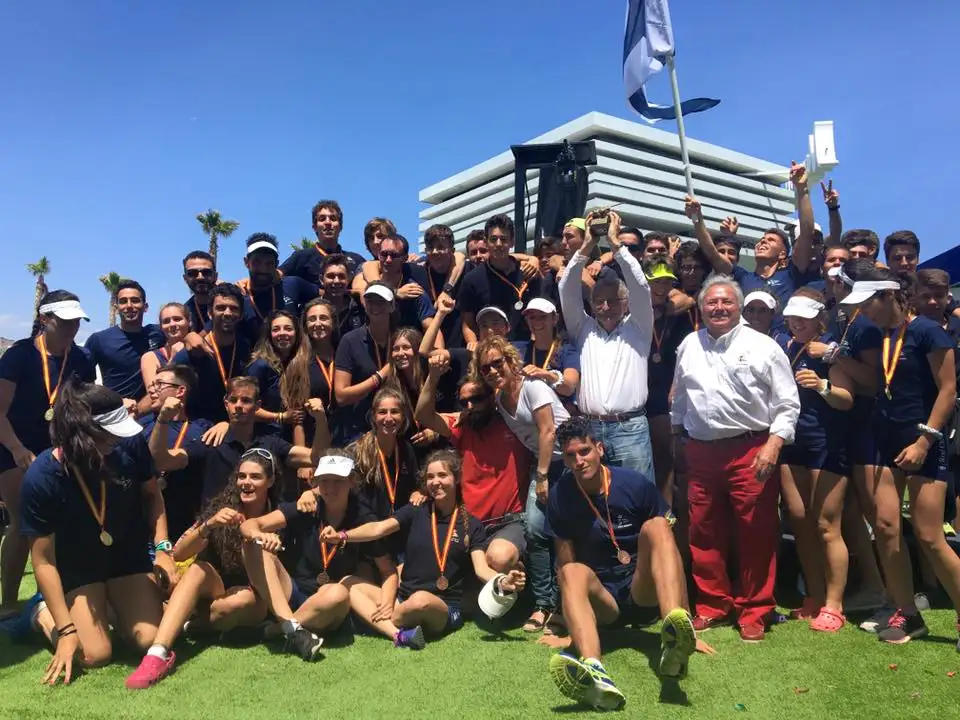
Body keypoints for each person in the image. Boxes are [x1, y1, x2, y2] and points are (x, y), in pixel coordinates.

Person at [671, 276, 800, 642]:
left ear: (739, 306)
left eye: (726, 302)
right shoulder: (688, 345)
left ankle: (755, 609)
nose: (719, 308)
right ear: (701, 307)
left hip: (750, 448)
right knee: (703, 530)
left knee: (756, 531)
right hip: (700, 449)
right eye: (711, 302)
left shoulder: (763, 346)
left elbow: (788, 403)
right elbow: (680, 396)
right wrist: (677, 437)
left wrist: (773, 445)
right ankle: (713, 604)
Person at [125, 449, 317, 688]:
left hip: (261, 599)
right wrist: (209, 525)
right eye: (242, 476)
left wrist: (309, 493)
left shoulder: (280, 512)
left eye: (255, 477)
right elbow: (180, 554)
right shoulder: (221, 508)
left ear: (270, 481)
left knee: (240, 599)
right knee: (199, 570)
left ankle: (187, 623)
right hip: (218, 591)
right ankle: (158, 653)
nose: (246, 482)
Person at [840, 269, 960, 646]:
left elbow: (948, 390)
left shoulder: (927, 330)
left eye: (866, 303)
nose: (862, 311)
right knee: (887, 528)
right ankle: (908, 614)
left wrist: (924, 441)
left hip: (924, 440)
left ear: (888, 295)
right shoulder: (883, 335)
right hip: (886, 440)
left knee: (929, 535)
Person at [545, 418, 697, 711]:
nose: (579, 461)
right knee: (570, 570)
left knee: (658, 526)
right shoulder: (560, 495)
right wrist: (567, 626)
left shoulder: (634, 483)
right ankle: (594, 670)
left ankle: (675, 636)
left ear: (600, 449)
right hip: (605, 602)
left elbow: (669, 552)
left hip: (642, 590)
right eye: (570, 455)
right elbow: (565, 561)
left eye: (585, 451)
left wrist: (687, 618)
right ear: (564, 459)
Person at [20, 379, 165, 685]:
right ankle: (41, 611)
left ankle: (108, 606)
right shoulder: (42, 477)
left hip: (126, 557)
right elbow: (43, 560)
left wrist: (163, 547)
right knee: (94, 654)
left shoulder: (130, 445)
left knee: (148, 639)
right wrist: (65, 631)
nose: (118, 437)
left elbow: (153, 495)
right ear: (82, 433)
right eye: (110, 431)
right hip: (77, 567)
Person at [319, 450, 525, 649]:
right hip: (403, 597)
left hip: (443, 606)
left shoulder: (471, 524)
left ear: (456, 479)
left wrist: (502, 581)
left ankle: (377, 618)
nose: (435, 482)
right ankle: (397, 633)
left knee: (421, 600)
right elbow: (379, 528)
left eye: (442, 475)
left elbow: (481, 569)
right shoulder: (416, 510)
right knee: (349, 583)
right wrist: (343, 536)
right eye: (430, 477)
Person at [240, 451, 396, 650]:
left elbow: (387, 569)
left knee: (338, 592)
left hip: (330, 604)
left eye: (337, 481)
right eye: (324, 480)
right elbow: (250, 525)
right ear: (316, 482)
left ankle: (277, 630)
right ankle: (293, 629)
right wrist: (260, 535)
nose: (330, 488)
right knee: (251, 544)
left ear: (351, 481)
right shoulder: (306, 506)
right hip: (294, 593)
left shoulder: (363, 517)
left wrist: (388, 602)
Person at [0, 291, 95, 619]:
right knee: (22, 523)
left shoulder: (81, 358)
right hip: (13, 447)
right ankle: (8, 602)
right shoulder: (19, 355)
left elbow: (83, 406)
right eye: (64, 321)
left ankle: (66, 595)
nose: (72, 327)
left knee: (66, 523)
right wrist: (17, 449)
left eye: (76, 321)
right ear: (44, 319)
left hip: (61, 451)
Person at [475, 335, 569, 634]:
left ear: (510, 359)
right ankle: (543, 604)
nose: (492, 371)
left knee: (567, 533)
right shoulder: (500, 399)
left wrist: (541, 476)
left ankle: (566, 606)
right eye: (485, 368)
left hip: (567, 465)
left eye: (497, 363)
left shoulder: (533, 387)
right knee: (535, 529)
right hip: (543, 466)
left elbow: (548, 431)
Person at [776, 288, 856, 632]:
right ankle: (815, 595)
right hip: (792, 441)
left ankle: (834, 605)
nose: (797, 323)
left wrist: (823, 385)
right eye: (792, 317)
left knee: (826, 525)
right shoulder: (784, 347)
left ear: (819, 319)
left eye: (804, 318)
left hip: (826, 441)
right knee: (799, 520)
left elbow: (847, 399)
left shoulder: (829, 349)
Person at [558, 209, 656, 479]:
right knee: (595, 498)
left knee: (636, 495)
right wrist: (586, 246)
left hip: (630, 430)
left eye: (613, 300)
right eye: (599, 301)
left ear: (626, 304)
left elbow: (640, 286)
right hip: (589, 430)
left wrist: (615, 243)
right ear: (591, 305)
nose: (605, 306)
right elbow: (566, 288)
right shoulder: (583, 328)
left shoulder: (639, 328)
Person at [415, 354, 530, 573]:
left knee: (499, 557)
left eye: (477, 399)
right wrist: (433, 376)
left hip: (508, 521)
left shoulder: (513, 422)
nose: (470, 405)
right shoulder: (462, 427)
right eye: (464, 402)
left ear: (492, 397)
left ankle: (521, 574)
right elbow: (423, 415)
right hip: (469, 523)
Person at [149, 377, 328, 505]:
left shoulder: (270, 443)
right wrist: (162, 419)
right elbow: (161, 461)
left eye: (246, 401)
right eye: (233, 400)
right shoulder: (211, 442)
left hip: (261, 530)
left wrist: (320, 419)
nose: (238, 406)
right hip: (217, 530)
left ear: (258, 406)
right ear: (225, 404)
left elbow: (317, 458)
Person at [685, 162, 817, 326]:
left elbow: (806, 233)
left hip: (781, 339)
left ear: (783, 254)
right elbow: (711, 253)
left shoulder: (792, 273)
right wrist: (697, 219)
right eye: (762, 239)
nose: (763, 241)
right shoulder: (742, 277)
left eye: (771, 240)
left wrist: (802, 189)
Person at [141, 363, 211, 544]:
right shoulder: (141, 425)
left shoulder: (202, 429)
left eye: (159, 384)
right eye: (152, 385)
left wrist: (225, 425)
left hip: (182, 529)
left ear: (180, 391)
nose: (152, 390)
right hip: (140, 525)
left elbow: (157, 461)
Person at [643, 258, 693, 503]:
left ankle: (667, 514)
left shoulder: (679, 313)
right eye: (656, 281)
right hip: (638, 394)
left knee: (665, 460)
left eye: (666, 282)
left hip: (665, 393)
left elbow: (691, 300)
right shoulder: (633, 311)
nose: (661, 287)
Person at [460, 214, 544, 345]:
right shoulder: (471, 280)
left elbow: (541, 315)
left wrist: (536, 346)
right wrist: (474, 345)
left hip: (527, 348)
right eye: (493, 239)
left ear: (512, 242)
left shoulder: (529, 272)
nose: (498, 244)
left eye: (504, 239)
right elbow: (468, 324)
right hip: (492, 350)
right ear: (487, 241)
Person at [84, 279, 165, 417]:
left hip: (153, 415)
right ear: (116, 308)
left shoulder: (158, 333)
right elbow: (84, 383)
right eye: (123, 301)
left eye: (135, 300)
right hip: (115, 414)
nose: (129, 306)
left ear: (145, 307)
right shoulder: (99, 340)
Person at [174, 283, 253, 424]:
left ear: (241, 315)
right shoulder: (190, 354)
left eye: (234, 308)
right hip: (198, 428)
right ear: (210, 313)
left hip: (236, 424)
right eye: (221, 308)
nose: (227, 313)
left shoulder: (246, 349)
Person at [334, 283, 398, 443]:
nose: (375, 306)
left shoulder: (402, 339)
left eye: (381, 301)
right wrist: (379, 376)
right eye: (370, 301)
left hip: (397, 426)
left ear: (392, 306)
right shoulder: (350, 340)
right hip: (360, 430)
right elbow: (341, 396)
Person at [348, 388, 421, 522]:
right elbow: (346, 490)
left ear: (403, 416)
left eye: (394, 412)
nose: (388, 418)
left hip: (398, 525)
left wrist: (417, 493)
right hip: (367, 526)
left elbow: (415, 486)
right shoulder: (357, 451)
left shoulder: (406, 449)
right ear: (374, 417)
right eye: (382, 412)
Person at [237, 234, 319, 345]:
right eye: (257, 262)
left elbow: (328, 295)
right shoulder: (239, 297)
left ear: (277, 264)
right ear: (246, 262)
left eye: (269, 263)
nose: (263, 269)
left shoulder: (293, 285)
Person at [247, 310, 312, 442]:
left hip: (295, 437)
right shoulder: (260, 366)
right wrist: (281, 417)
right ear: (269, 335)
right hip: (265, 438)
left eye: (288, 328)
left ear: (297, 333)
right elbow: (245, 407)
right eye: (276, 329)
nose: (282, 333)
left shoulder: (303, 363)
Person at [279, 199, 366, 284]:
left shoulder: (356, 260)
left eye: (333, 218)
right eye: (322, 219)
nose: (328, 222)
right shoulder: (302, 257)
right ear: (314, 227)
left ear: (340, 227)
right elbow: (277, 275)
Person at [390, 327, 444, 459]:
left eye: (406, 347)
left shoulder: (435, 375)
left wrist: (436, 430)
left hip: (443, 448)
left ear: (416, 349)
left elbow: (453, 411)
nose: (400, 353)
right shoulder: (392, 385)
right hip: (412, 453)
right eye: (395, 349)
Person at [519, 298, 580, 403]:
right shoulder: (519, 349)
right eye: (532, 317)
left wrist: (547, 375)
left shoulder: (567, 351)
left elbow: (569, 388)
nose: (537, 321)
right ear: (527, 321)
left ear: (555, 319)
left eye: (542, 316)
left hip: (558, 410)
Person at [140, 302, 190, 393]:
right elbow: (154, 395)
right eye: (166, 321)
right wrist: (174, 361)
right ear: (161, 327)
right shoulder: (151, 357)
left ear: (189, 322)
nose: (172, 324)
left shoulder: (199, 349)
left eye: (177, 319)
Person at [318, 253, 365, 336]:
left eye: (341, 276)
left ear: (349, 278)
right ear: (321, 279)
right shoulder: (312, 310)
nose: (336, 281)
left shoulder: (361, 308)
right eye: (331, 276)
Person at [181, 250, 218, 332]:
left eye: (206, 272)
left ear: (215, 276)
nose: (200, 277)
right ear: (185, 278)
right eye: (192, 273)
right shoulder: (184, 313)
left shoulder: (235, 303)